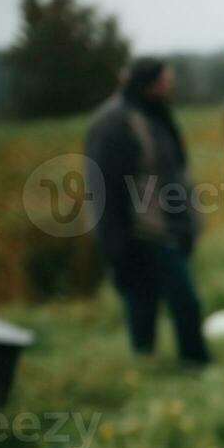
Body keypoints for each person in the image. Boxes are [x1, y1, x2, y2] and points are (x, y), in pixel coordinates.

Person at [85, 57, 210, 366]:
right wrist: (114, 244)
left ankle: (150, 360)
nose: (171, 87)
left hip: (168, 225)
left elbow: (174, 168)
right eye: (165, 82)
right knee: (176, 301)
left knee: (149, 300)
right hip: (143, 230)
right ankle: (189, 364)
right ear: (149, 84)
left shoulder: (155, 114)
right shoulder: (115, 123)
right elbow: (105, 188)